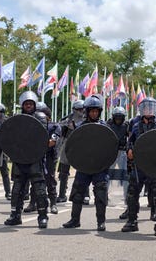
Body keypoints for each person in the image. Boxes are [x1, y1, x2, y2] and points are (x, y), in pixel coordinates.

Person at [122, 97, 156, 236]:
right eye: (145, 107)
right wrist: (129, 150)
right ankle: (132, 222)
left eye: (151, 107)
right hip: (139, 164)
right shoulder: (136, 125)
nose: (148, 110)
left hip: (155, 165)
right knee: (132, 193)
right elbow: (130, 141)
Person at [4, 91, 50, 229]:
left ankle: (42, 217)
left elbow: (40, 137)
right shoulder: (17, 119)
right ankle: (15, 215)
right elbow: (11, 137)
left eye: (31, 103)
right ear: (22, 105)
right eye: (26, 104)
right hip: (20, 158)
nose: (28, 105)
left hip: (35, 158)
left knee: (40, 190)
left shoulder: (40, 117)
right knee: (17, 189)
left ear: (34, 105)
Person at [63, 96, 108, 231]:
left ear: (99, 112)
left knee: (100, 194)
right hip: (84, 165)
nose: (94, 113)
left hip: (99, 166)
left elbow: (110, 146)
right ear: (87, 112)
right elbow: (74, 146)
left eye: (96, 111)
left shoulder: (104, 127)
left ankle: (101, 222)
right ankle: (75, 220)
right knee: (77, 193)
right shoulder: (80, 127)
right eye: (91, 111)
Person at [24, 102, 61, 214]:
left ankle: (53, 203)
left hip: (49, 156)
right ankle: (33, 203)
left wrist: (37, 144)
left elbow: (52, 142)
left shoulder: (54, 126)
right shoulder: (32, 126)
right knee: (35, 179)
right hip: (36, 155)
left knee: (49, 179)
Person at [56, 100, 85, 203]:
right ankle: (62, 195)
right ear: (74, 110)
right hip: (68, 145)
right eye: (78, 110)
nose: (81, 112)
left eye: (82, 109)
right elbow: (60, 131)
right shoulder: (67, 120)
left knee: (84, 171)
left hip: (81, 146)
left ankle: (85, 196)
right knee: (63, 172)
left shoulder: (87, 120)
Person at [107, 107, 130, 218]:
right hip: (111, 151)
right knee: (106, 175)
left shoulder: (126, 126)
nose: (118, 119)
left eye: (120, 117)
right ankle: (104, 196)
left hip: (123, 151)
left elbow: (130, 137)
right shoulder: (109, 125)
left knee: (126, 177)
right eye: (117, 117)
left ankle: (127, 198)